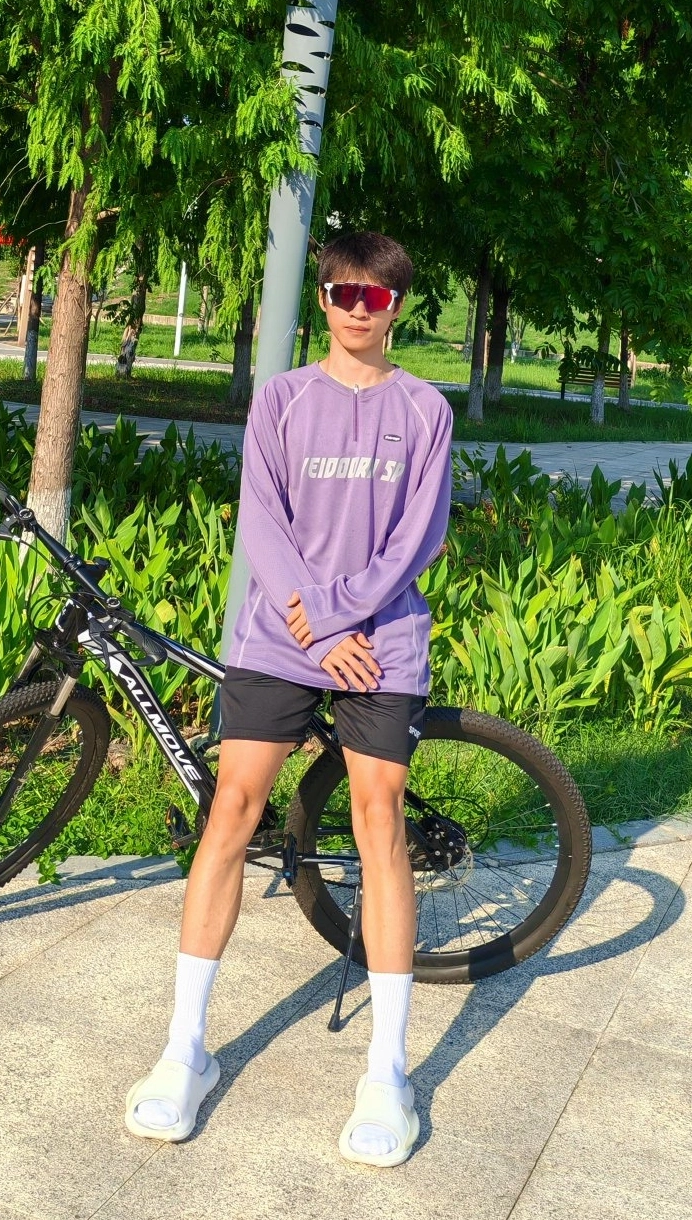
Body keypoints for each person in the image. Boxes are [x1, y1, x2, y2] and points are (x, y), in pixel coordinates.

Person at [124, 231, 453, 1167]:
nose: (358, 309)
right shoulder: (282, 398)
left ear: (395, 308)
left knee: (379, 819)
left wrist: (340, 617)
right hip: (281, 635)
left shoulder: (424, 409)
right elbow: (261, 523)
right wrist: (313, 627)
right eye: (344, 292)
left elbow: (419, 537)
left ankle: (387, 1073)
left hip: (379, 639)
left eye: (375, 297)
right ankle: (184, 1051)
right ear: (323, 300)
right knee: (231, 809)